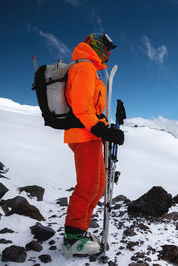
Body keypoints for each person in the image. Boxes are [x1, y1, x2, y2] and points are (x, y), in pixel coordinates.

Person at [62, 33, 124, 258]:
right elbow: (81, 107)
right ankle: (72, 240)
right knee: (87, 187)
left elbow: (94, 111)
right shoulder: (84, 68)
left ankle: (81, 232)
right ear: (96, 46)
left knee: (97, 188)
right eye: (107, 48)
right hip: (83, 135)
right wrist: (101, 129)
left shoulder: (93, 72)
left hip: (92, 136)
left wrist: (108, 127)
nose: (108, 53)